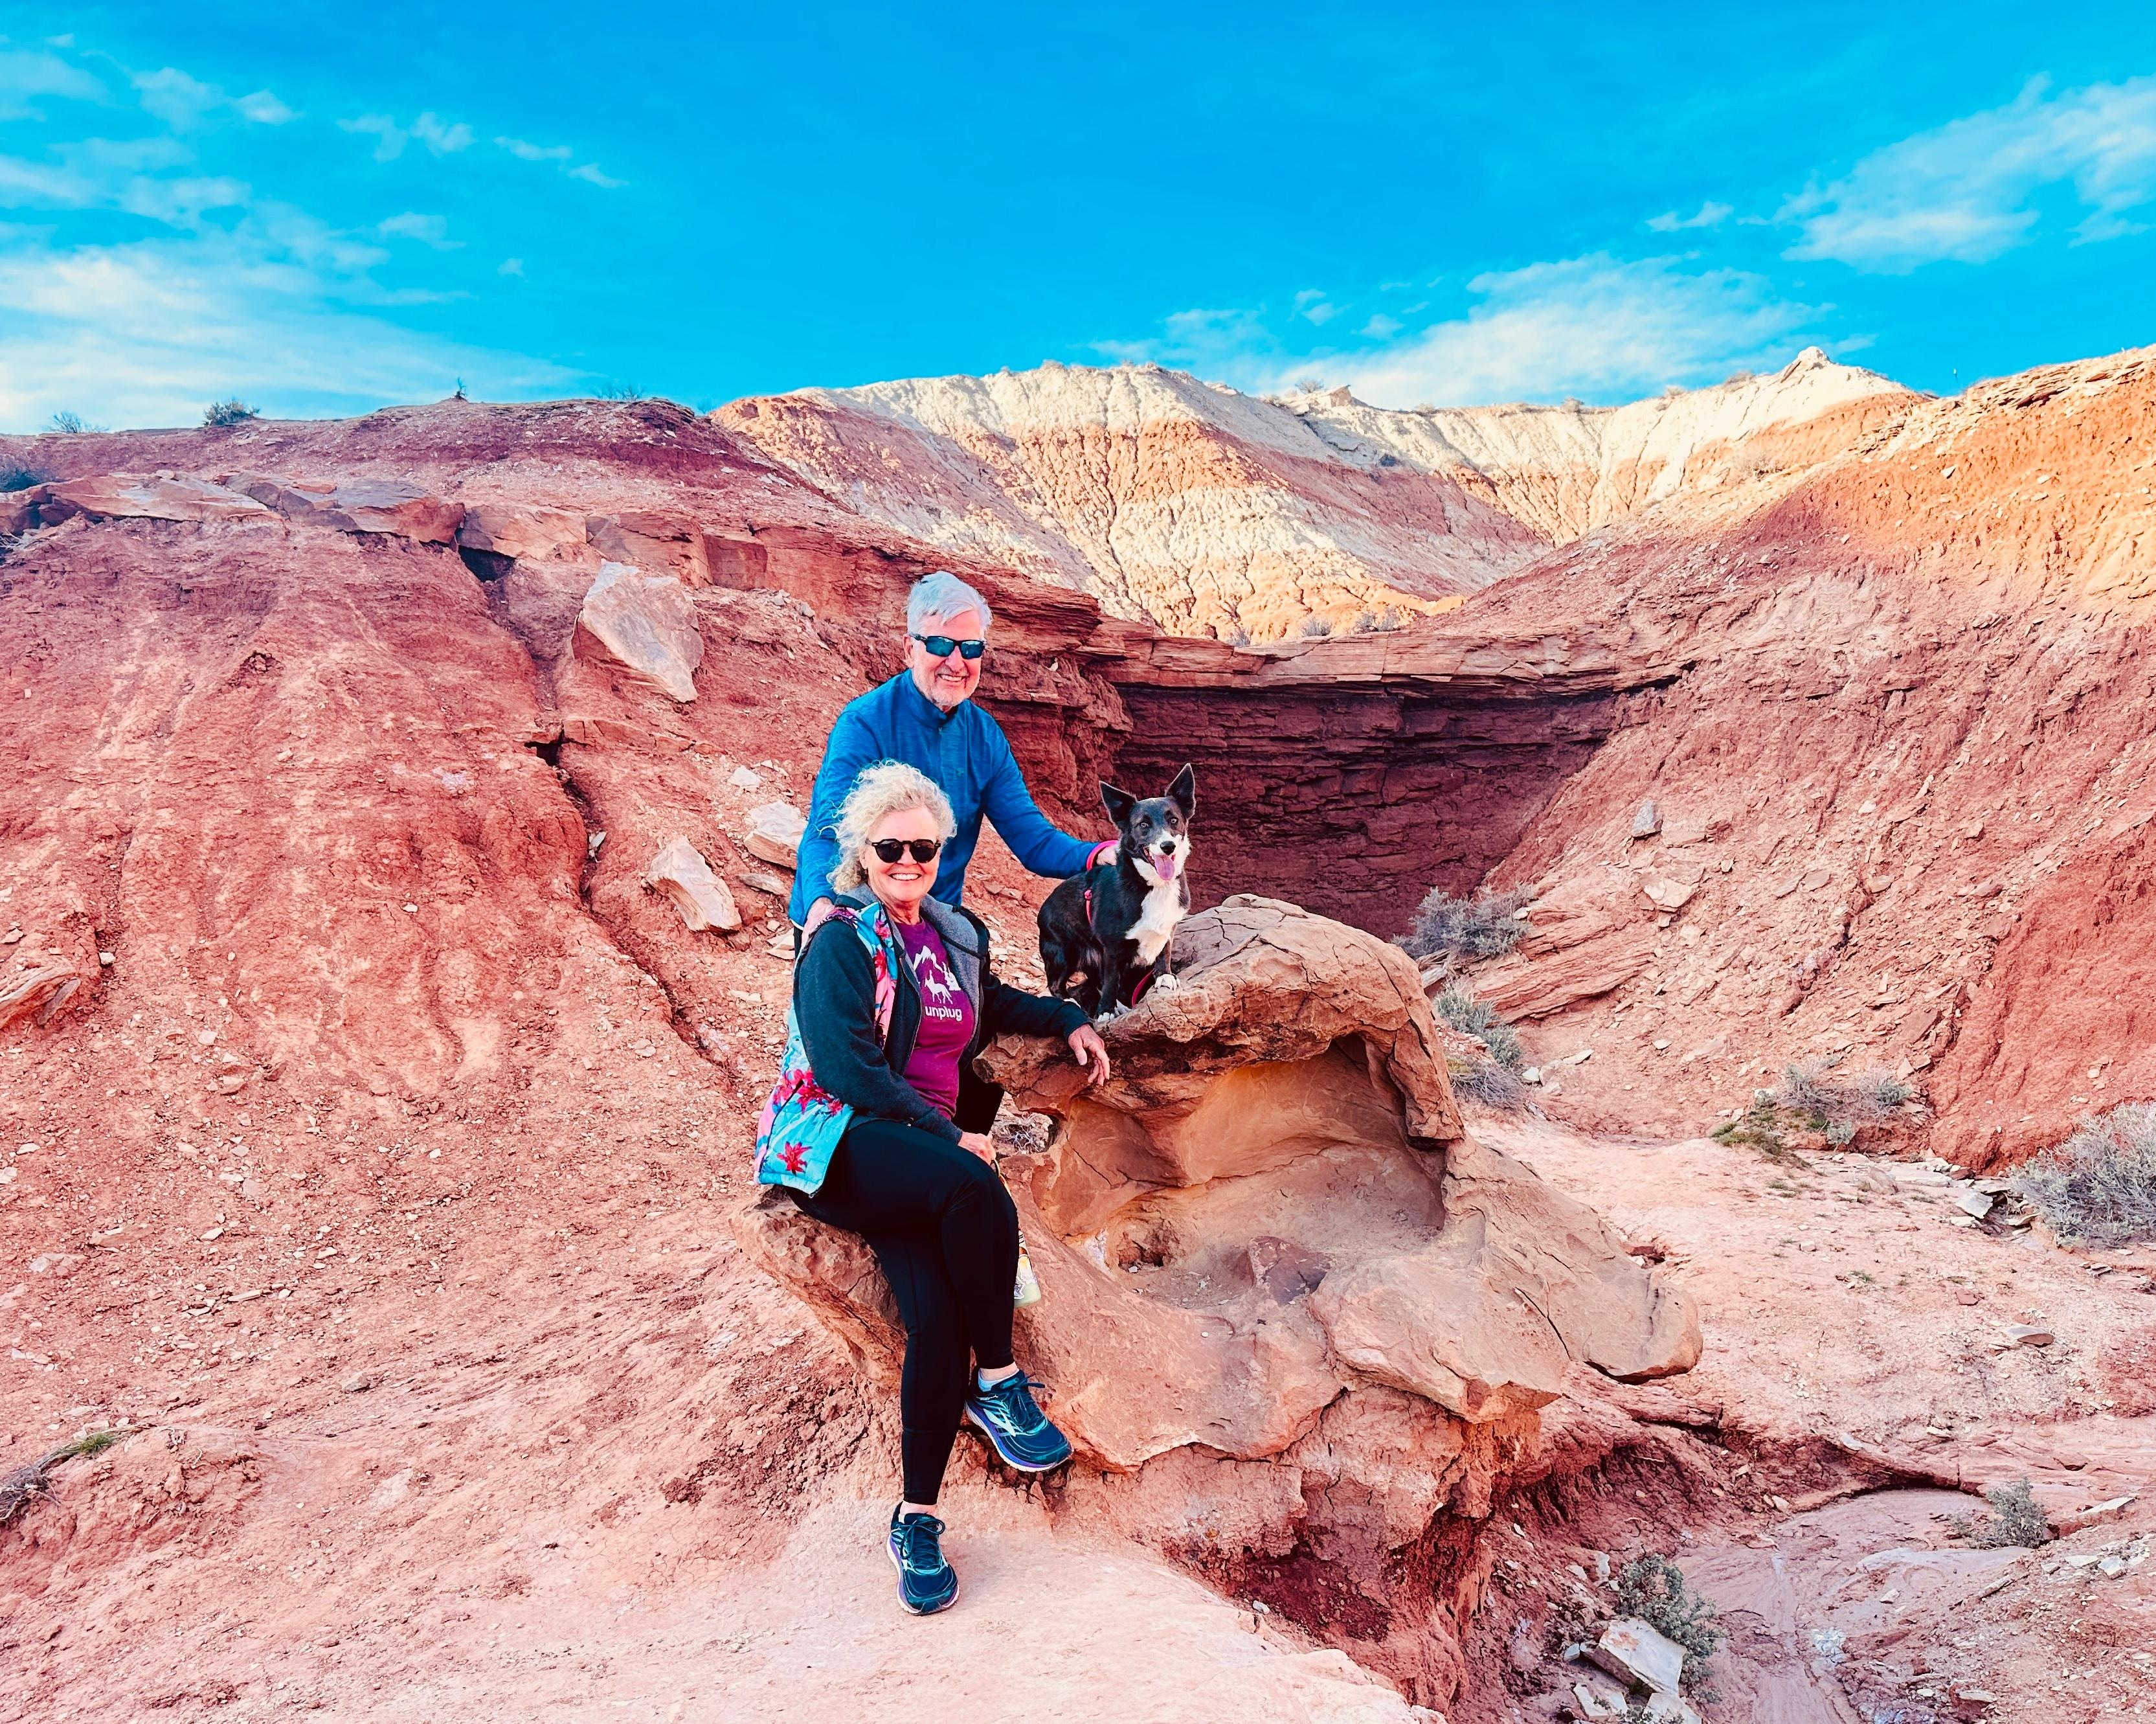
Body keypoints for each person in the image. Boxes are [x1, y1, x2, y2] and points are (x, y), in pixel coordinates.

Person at [754, 761, 1112, 1616]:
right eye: (891, 848)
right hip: (843, 1140)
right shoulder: (841, 937)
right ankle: (1001, 1380)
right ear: (863, 852)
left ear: (942, 851)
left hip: (912, 1157)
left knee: (937, 1320)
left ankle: (916, 1518)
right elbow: (845, 1067)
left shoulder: (952, 935)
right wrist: (950, 1136)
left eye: (923, 847)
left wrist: (1070, 1018)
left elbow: (994, 1005)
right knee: (975, 1185)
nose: (908, 860)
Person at [789, 570, 1115, 940]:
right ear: (910, 649)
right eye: (941, 645)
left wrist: (1100, 855)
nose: (957, 663)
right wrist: (822, 907)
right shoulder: (865, 724)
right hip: (853, 919)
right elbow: (829, 832)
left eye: (971, 648)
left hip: (931, 920)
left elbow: (1032, 840)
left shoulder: (984, 737)